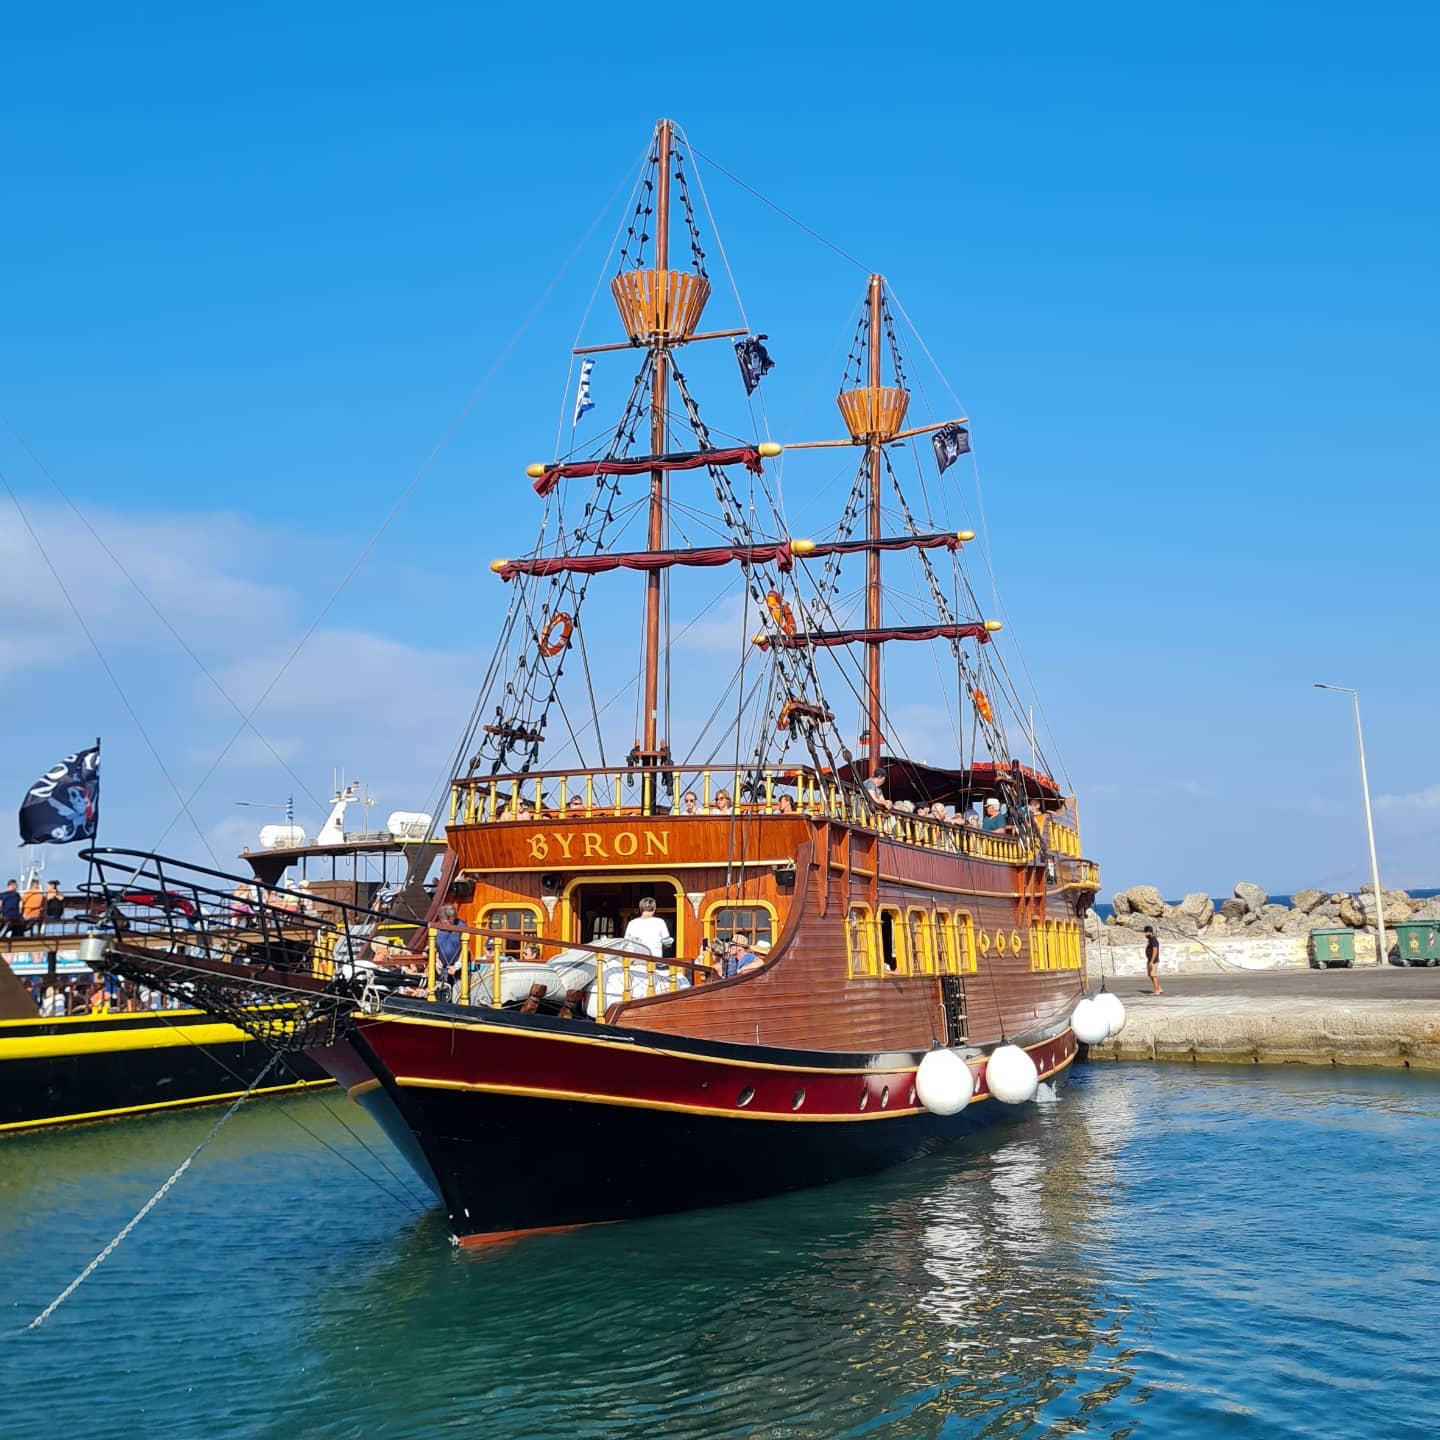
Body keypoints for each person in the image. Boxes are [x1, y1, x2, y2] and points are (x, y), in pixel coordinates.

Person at [433, 904, 463, 996]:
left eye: (449, 921)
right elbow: (433, 947)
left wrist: (457, 965)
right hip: (440, 968)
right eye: (444, 921)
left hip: (458, 968)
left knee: (457, 993)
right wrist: (436, 960)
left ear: (454, 917)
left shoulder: (462, 926)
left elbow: (465, 948)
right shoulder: (436, 927)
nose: (446, 924)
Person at [1144, 926, 1163, 995]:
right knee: (1151, 975)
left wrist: (1151, 961)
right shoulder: (1150, 940)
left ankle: (1156, 991)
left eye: (1146, 932)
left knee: (1153, 975)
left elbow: (1155, 950)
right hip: (1150, 960)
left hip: (1153, 961)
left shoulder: (1153, 940)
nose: (1145, 934)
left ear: (1150, 932)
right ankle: (1159, 988)